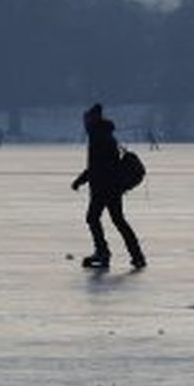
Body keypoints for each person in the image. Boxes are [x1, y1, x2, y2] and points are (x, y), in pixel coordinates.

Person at [71, 103, 145, 270]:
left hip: (103, 187)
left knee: (93, 218)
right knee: (117, 220)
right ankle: (136, 255)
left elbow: (97, 166)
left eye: (86, 120)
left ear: (91, 121)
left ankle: (103, 252)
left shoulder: (99, 138)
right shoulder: (104, 135)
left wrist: (80, 180)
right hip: (112, 187)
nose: (84, 123)